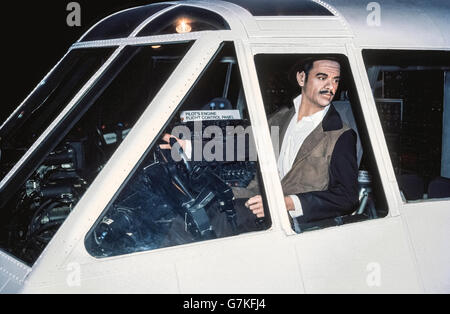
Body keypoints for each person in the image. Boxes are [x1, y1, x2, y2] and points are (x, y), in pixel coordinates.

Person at [162, 56, 359, 232]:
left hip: (292, 219)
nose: (331, 87)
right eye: (322, 77)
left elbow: (346, 198)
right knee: (188, 214)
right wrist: (188, 147)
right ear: (301, 79)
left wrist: (287, 203)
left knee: (210, 227)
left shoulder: (341, 135)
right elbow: (244, 145)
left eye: (335, 80)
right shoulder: (282, 118)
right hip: (257, 197)